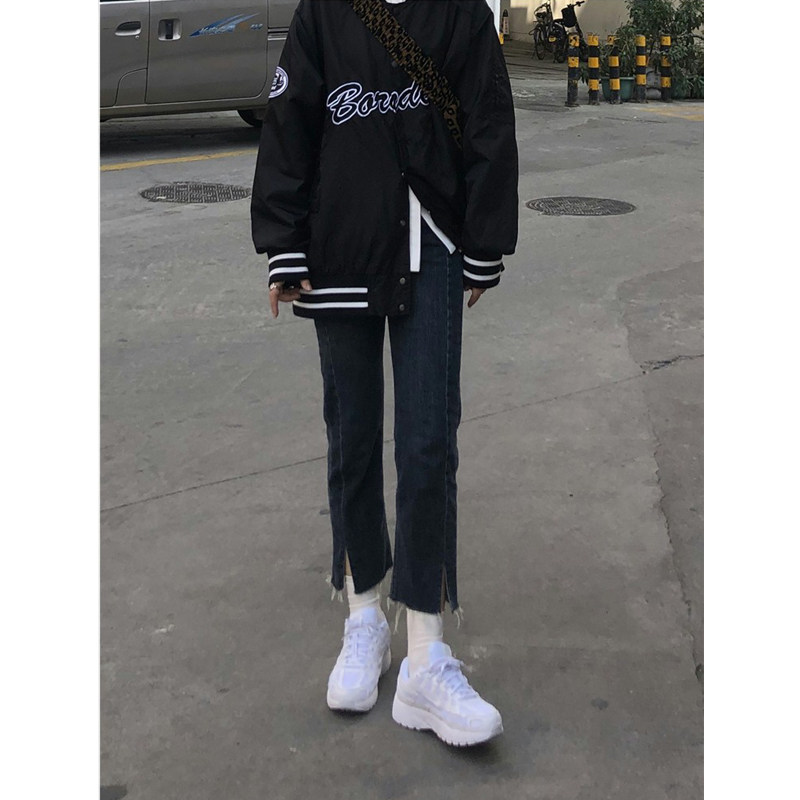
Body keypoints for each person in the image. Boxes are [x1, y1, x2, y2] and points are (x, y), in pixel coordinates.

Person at [251, 0, 518, 747]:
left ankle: (426, 654)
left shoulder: (461, 13)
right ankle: (363, 616)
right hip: (339, 247)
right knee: (353, 437)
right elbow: (290, 121)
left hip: (432, 247)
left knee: (429, 444)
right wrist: (283, 242)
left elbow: (489, 119)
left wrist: (484, 239)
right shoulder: (323, 13)